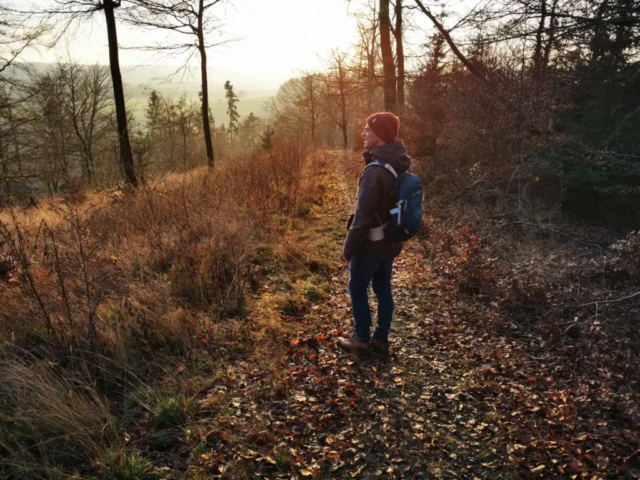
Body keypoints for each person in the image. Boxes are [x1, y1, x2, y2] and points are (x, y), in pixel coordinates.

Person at [337, 112, 411, 355]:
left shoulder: (374, 171)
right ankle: (380, 339)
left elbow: (362, 218)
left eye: (367, 129)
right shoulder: (400, 163)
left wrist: (348, 251)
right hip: (390, 240)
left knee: (357, 287)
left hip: (371, 243)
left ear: (379, 135)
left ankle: (360, 339)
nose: (363, 134)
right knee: (383, 289)